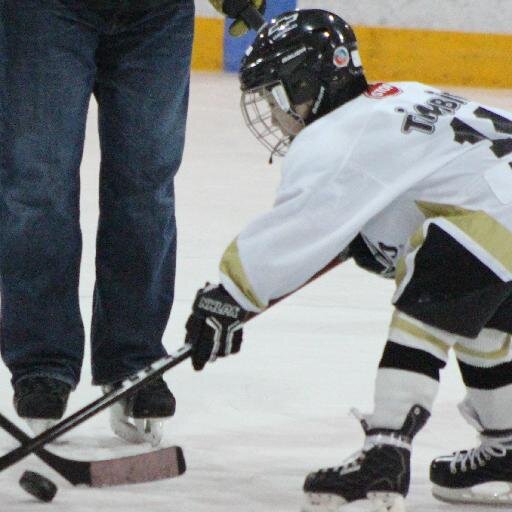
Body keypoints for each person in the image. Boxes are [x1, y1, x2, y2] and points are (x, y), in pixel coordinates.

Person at [183, 9, 512, 510]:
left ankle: (385, 452)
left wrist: (229, 294)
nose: (274, 116)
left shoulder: (336, 133)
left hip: (499, 214)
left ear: (302, 83)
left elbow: (300, 226)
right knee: (481, 321)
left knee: (427, 306)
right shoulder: (399, 97)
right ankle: (506, 450)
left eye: (275, 97)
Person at [0, 0, 259, 445]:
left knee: (146, 188)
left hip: (156, 16)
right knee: (36, 186)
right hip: (43, 12)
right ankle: (41, 364)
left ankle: (134, 358)